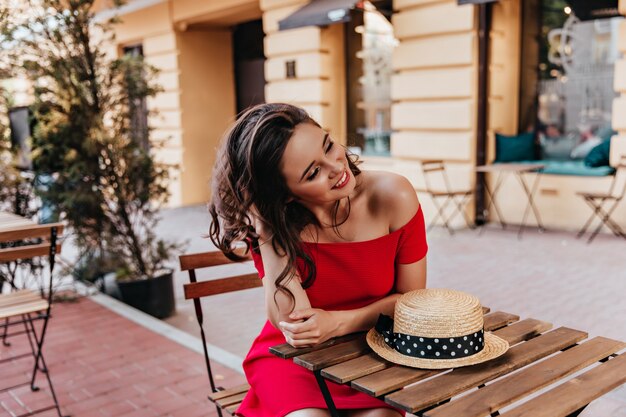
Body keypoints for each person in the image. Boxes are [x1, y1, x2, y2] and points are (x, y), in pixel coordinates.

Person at [208, 103, 428, 417]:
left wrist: (340, 322)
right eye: (313, 172)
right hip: (294, 362)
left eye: (328, 145)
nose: (336, 167)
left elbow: (412, 301)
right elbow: (294, 324)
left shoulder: (393, 196)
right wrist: (268, 232)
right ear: (285, 194)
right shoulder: (273, 223)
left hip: (372, 352)